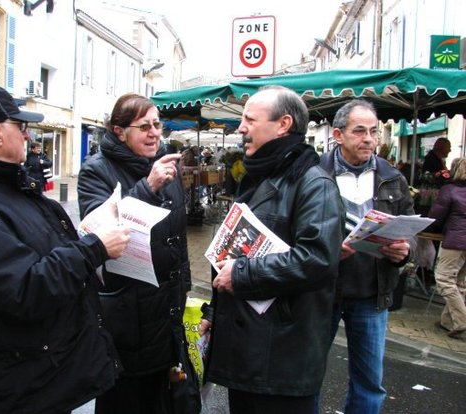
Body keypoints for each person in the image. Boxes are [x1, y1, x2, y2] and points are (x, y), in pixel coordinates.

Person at [0, 84, 130, 413]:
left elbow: (37, 251)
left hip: (54, 374)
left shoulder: (2, 185)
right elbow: (25, 289)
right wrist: (94, 248)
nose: (28, 137)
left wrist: (86, 235)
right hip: (30, 390)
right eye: (21, 127)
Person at [199, 85, 345, 414]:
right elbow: (231, 254)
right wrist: (214, 313)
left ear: (283, 124)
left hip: (282, 357)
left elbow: (317, 259)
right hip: (249, 352)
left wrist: (241, 274)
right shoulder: (259, 175)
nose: (241, 127)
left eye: (250, 119)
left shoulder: (313, 183)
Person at [77, 93, 194, 413]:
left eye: (158, 125)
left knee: (164, 399)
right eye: (144, 127)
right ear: (119, 131)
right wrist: (148, 187)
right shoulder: (96, 171)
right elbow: (100, 234)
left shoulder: (166, 165)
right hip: (127, 315)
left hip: (167, 310)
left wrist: (183, 285)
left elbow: (177, 237)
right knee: (126, 400)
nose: (155, 133)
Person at [318, 99, 415, 413]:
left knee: (370, 383)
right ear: (337, 134)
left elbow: (408, 229)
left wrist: (404, 251)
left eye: (374, 132)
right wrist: (327, 250)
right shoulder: (313, 174)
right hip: (322, 289)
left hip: (372, 293)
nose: (370, 139)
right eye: (360, 131)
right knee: (308, 375)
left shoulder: (393, 177)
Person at [429, 157, 466, 339]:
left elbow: (436, 216)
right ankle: (447, 321)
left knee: (443, 279)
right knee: (459, 282)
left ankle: (462, 320)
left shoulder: (449, 190)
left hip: (455, 241)